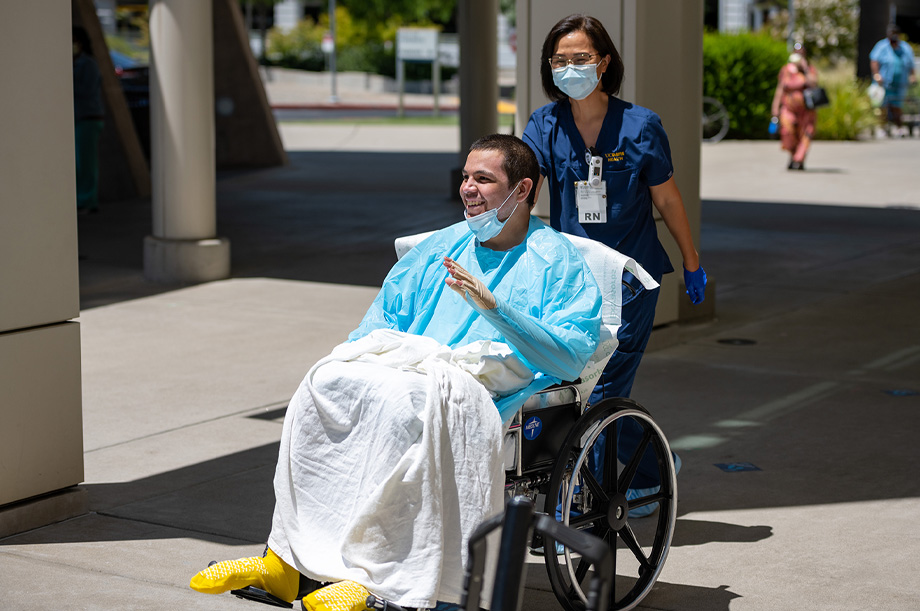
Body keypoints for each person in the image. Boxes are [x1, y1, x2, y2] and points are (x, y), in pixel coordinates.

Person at [188, 134, 602, 610]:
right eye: (466, 176)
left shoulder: (556, 262)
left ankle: (376, 576)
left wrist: (496, 308)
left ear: (523, 188)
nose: (468, 188)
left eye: (483, 179)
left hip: (487, 384)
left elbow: (569, 356)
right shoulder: (441, 246)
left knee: (403, 409)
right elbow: (381, 321)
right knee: (326, 383)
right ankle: (285, 560)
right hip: (411, 366)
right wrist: (356, 361)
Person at [522, 13, 704, 513]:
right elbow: (527, 189)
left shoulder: (641, 125)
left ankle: (584, 497)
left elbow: (666, 199)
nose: (569, 68)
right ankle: (648, 470)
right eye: (559, 60)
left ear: (603, 63)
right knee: (573, 386)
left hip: (631, 278)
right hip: (574, 279)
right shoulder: (545, 123)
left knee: (603, 387)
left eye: (580, 58)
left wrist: (691, 261)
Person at [770, 42, 819, 171]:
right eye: (796, 52)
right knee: (788, 131)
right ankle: (793, 156)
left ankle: (799, 159)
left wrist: (805, 69)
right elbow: (780, 89)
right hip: (789, 108)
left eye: (801, 52)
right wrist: (775, 107)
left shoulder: (809, 69)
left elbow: (814, 84)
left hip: (806, 110)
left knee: (805, 134)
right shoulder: (786, 70)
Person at [72, 26, 105, 214]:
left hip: (89, 118)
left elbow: (87, 90)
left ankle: (88, 201)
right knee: (79, 163)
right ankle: (82, 199)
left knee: (87, 163)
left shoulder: (88, 64)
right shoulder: (73, 62)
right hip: (79, 118)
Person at [870, 24, 917, 137]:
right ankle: (882, 128)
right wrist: (877, 75)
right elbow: (874, 60)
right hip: (884, 82)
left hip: (900, 82)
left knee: (897, 106)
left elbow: (911, 63)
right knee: (882, 106)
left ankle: (899, 127)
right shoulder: (881, 46)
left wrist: (912, 76)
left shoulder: (905, 47)